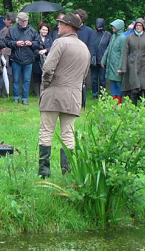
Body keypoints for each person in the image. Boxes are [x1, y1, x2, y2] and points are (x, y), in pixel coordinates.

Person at [38, 13, 89, 178]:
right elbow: (84, 74)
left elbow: (48, 68)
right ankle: (67, 172)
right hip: (74, 96)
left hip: (54, 93)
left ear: (69, 27)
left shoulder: (59, 43)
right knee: (68, 133)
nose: (58, 26)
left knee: (46, 131)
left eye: (60, 24)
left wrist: (46, 85)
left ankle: (44, 171)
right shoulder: (84, 48)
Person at [2, 12, 42, 105]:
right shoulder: (12, 30)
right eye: (22, 21)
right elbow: (7, 42)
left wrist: (31, 43)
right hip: (16, 58)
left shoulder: (32, 31)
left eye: (25, 21)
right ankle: (16, 97)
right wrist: (16, 43)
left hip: (28, 59)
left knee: (27, 80)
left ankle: (25, 98)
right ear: (18, 21)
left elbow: (38, 43)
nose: (24, 22)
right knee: (16, 79)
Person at [121, 18, 145, 105]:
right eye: (137, 25)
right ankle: (133, 106)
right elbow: (125, 53)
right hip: (132, 64)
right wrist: (124, 68)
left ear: (143, 26)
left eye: (140, 25)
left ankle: (144, 106)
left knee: (144, 86)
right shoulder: (129, 37)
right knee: (133, 87)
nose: (138, 27)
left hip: (144, 64)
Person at [74, 9, 97, 105]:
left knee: (82, 82)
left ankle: (81, 102)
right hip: (72, 59)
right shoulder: (72, 28)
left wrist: (89, 60)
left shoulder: (89, 31)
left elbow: (91, 47)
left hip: (83, 59)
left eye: (77, 17)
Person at [100, 19, 126, 103]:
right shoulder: (113, 36)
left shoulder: (123, 38)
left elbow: (123, 54)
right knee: (112, 83)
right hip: (111, 65)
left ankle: (118, 103)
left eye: (114, 26)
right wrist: (103, 60)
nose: (112, 27)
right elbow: (108, 49)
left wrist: (120, 67)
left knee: (118, 84)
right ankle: (114, 102)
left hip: (117, 65)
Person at [0, 12, 16, 98]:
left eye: (12, 23)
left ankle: (0, 91)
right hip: (3, 53)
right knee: (4, 72)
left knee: (5, 72)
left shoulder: (6, 27)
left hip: (7, 53)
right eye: (10, 22)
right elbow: (2, 42)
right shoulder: (3, 28)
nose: (11, 24)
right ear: (6, 19)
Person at [93, 18, 112, 98]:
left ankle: (102, 94)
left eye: (100, 27)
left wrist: (106, 59)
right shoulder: (93, 34)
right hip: (94, 60)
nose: (99, 28)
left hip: (103, 60)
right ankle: (94, 94)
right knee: (94, 79)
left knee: (102, 79)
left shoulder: (107, 35)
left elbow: (109, 48)